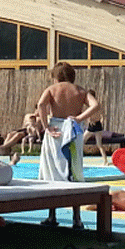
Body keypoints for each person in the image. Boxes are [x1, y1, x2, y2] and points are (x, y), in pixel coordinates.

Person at [37, 61, 99, 228]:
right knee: (74, 170)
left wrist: (46, 127)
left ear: (56, 76)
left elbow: (41, 105)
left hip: (56, 129)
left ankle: (52, 215)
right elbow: (96, 105)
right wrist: (79, 118)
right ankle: (77, 217)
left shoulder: (51, 89)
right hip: (73, 130)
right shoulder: (80, 90)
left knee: (53, 170)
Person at [82, 90, 109, 164]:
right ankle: (105, 160)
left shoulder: (93, 105)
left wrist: (91, 121)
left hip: (94, 125)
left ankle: (105, 161)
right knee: (99, 144)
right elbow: (102, 115)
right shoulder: (97, 104)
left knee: (82, 141)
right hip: (96, 124)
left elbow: (91, 115)